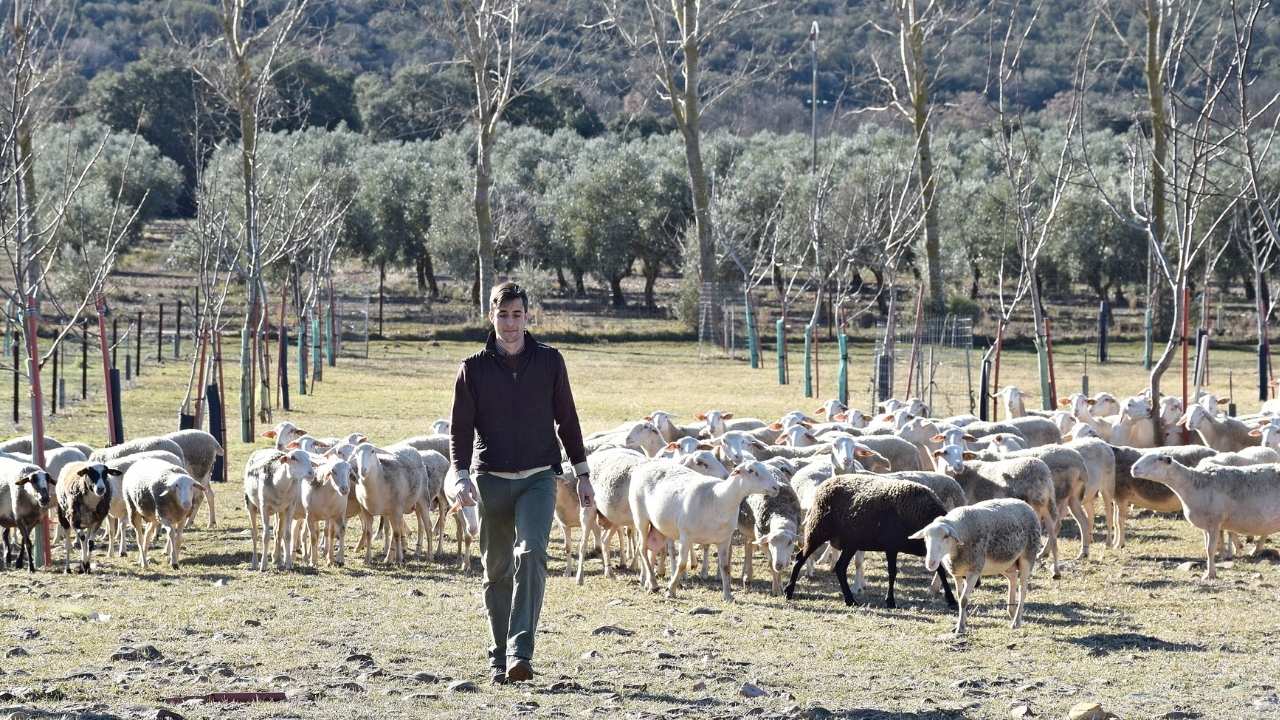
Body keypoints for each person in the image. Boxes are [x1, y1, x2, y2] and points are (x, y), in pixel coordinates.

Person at [448, 281, 594, 684]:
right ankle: (498, 656)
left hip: (538, 478)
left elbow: (568, 419)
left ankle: (519, 653)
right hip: (489, 479)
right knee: (496, 569)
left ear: (528, 316)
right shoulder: (472, 368)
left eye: (517, 314)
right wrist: (461, 478)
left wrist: (583, 474)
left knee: (530, 554)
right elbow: (460, 431)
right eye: (502, 314)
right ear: (490, 316)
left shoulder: (549, 362)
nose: (510, 323)